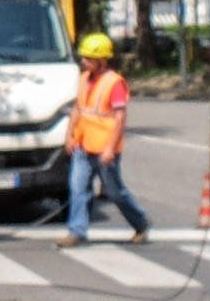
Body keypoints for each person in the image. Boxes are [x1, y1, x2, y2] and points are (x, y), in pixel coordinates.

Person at [55, 32, 150, 247]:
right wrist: (69, 136)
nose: (83, 61)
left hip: (105, 148)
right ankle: (76, 231)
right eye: (83, 57)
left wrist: (109, 149)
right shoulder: (83, 79)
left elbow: (119, 118)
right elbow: (78, 109)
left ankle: (141, 223)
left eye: (88, 58)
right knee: (78, 189)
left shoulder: (114, 83)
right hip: (82, 145)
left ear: (101, 60)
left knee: (115, 193)